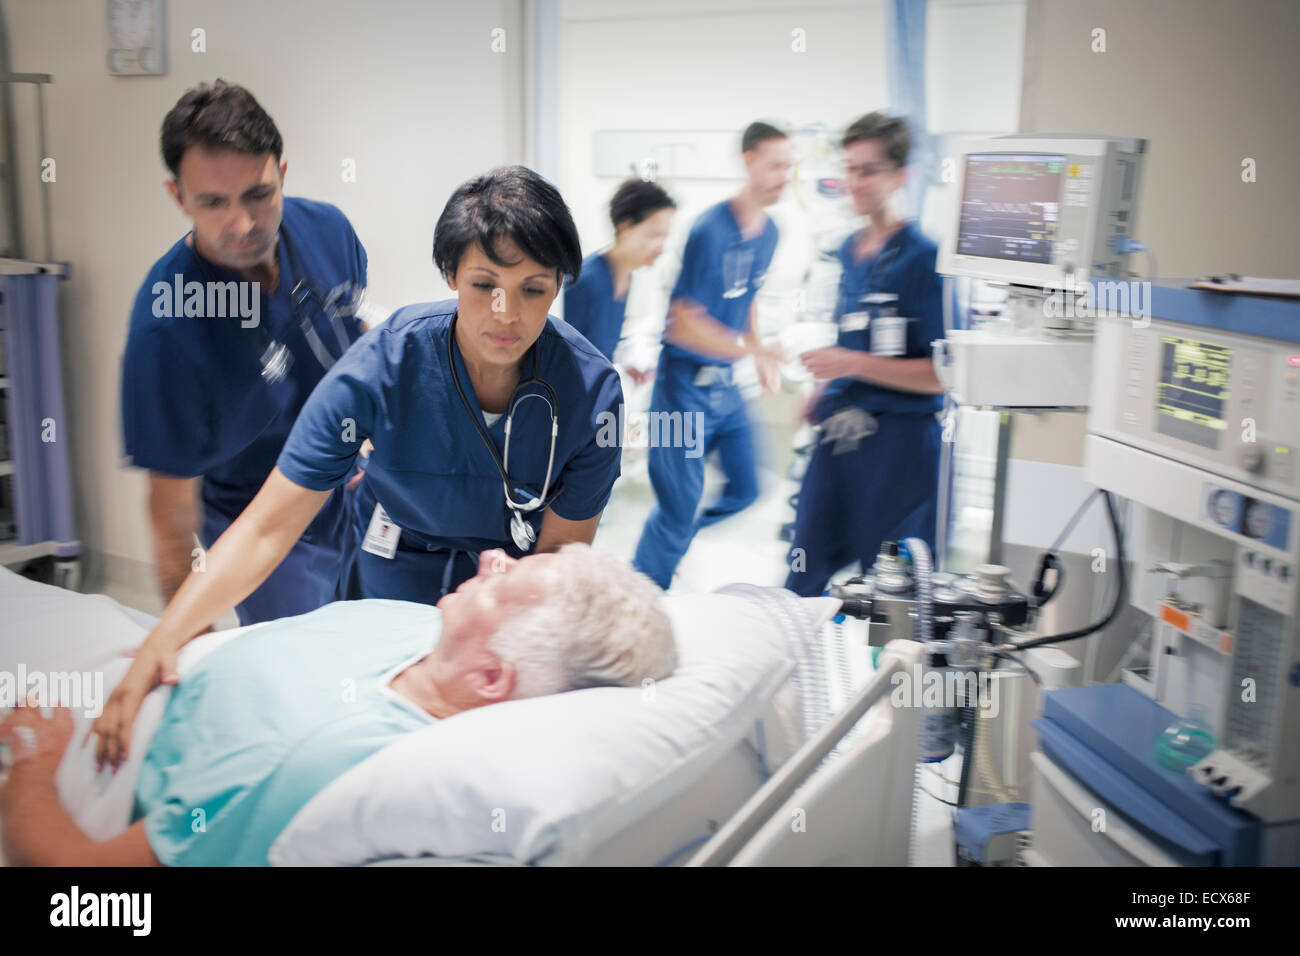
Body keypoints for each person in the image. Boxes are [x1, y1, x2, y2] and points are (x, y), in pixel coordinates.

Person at [92, 165, 625, 770]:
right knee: (363, 730)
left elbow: (556, 563)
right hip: (389, 563)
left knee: (476, 748)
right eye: (484, 284)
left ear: (560, 287)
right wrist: (163, 641)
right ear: (450, 275)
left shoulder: (589, 393)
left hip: (503, 589)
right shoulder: (388, 362)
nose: (506, 314)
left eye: (534, 288)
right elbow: (268, 526)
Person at [0, 546, 676, 866]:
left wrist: (34, 766)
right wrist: (163, 645)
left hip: (82, 740)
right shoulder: (423, 630)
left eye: (509, 580)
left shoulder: (312, 767)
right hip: (132, 653)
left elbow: (76, 890)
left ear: (493, 677)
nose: (494, 555)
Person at [121, 80, 371, 627]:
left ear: (281, 173)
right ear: (178, 196)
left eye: (258, 194)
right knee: (302, 665)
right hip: (259, 517)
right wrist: (190, 644)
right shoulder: (168, 330)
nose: (242, 224)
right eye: (213, 202)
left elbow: (356, 335)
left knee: (392, 638)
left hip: (355, 482)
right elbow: (171, 516)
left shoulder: (328, 230)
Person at [784, 112, 945, 597]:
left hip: (899, 448)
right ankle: (798, 670)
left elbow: (941, 375)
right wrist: (823, 388)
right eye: (850, 169)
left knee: (892, 597)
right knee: (803, 574)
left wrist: (849, 365)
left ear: (900, 176)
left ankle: (891, 675)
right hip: (840, 437)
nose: (855, 182)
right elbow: (852, 339)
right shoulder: (849, 252)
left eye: (869, 170)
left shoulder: (924, 259)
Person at [632, 122, 791, 590]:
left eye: (789, 166)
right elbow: (681, 322)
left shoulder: (770, 233)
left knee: (748, 487)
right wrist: (753, 349)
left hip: (725, 387)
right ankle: (642, 597)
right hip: (680, 390)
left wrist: (757, 353)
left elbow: (748, 296)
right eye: (776, 164)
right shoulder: (710, 229)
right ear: (749, 162)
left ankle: (676, 540)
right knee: (677, 508)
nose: (785, 175)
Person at [563, 177, 676, 382]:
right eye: (653, 235)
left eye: (664, 237)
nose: (661, 246)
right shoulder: (585, 282)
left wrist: (625, 365)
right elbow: (559, 355)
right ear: (625, 228)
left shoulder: (626, 276)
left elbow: (597, 346)